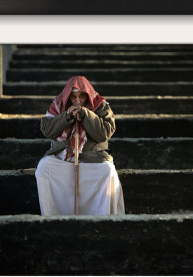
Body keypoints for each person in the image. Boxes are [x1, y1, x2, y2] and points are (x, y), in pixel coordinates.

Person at [35, 76, 125, 216]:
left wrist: (86, 114)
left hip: (92, 156)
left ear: (87, 95)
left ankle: (101, 218)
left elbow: (104, 133)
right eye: (73, 97)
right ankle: (54, 217)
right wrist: (66, 117)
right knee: (44, 168)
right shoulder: (58, 105)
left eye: (81, 96)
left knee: (107, 171)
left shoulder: (100, 105)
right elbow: (47, 130)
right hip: (63, 155)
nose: (77, 101)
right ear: (67, 98)